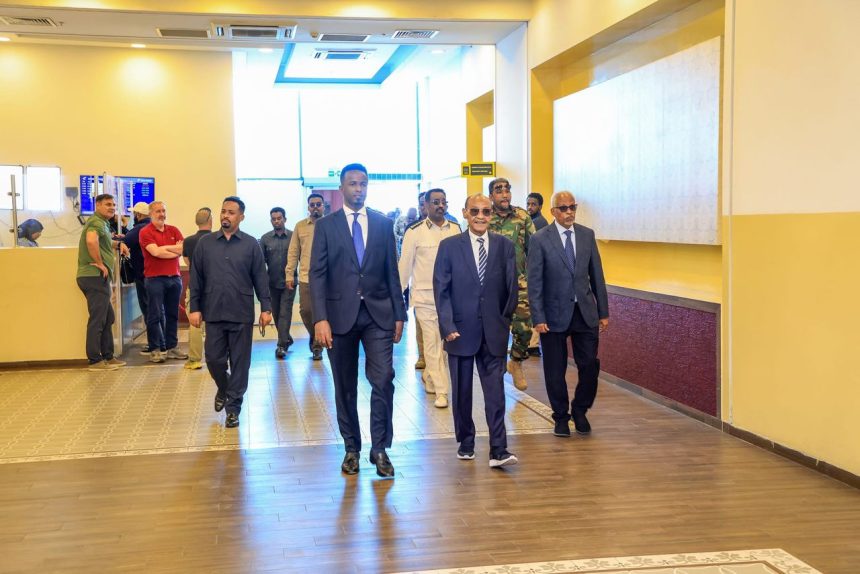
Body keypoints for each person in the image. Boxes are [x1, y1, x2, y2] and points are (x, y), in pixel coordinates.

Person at [309, 163, 406, 478]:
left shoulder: (383, 224)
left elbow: (392, 272)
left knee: (383, 379)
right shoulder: (326, 226)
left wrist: (400, 313)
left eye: (363, 183)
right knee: (345, 385)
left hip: (378, 314)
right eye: (352, 184)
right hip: (339, 316)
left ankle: (380, 448)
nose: (358, 189)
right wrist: (320, 318)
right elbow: (317, 274)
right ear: (342, 188)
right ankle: (352, 448)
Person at [433, 193, 518, 468]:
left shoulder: (504, 246)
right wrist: (447, 325)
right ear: (465, 213)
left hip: (494, 331)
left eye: (485, 211)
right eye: (475, 211)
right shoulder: (449, 247)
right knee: (462, 392)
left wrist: (503, 321)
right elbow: (441, 290)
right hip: (459, 330)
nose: (480, 216)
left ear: (491, 214)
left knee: (496, 393)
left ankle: (499, 449)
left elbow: (511, 288)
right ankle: (466, 442)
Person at [528, 191, 609, 437]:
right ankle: (561, 417)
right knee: (555, 369)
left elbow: (597, 275)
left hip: (584, 312)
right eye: (563, 208)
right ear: (553, 211)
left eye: (572, 207)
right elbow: (535, 281)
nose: (569, 212)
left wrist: (603, 311)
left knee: (589, 366)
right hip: (552, 315)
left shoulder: (587, 235)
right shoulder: (540, 239)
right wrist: (538, 317)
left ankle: (580, 410)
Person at [188, 196, 272, 429]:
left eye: (231, 212)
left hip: (241, 312)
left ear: (241, 217)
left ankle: (233, 408)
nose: (225, 215)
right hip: (213, 311)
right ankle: (224, 388)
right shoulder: (205, 244)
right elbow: (196, 278)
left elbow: (260, 278)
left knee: (240, 363)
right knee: (214, 359)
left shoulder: (251, 244)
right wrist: (194, 308)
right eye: (223, 211)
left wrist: (266, 308)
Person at [398, 188, 460, 408]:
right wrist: (398, 299)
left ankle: (430, 375)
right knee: (432, 343)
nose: (440, 205)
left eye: (443, 201)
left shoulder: (455, 229)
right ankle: (442, 391)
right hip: (425, 298)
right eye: (435, 202)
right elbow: (404, 267)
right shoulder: (414, 232)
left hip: (451, 299)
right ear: (425, 205)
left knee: (446, 345)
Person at [488, 177, 536, 390]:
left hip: (519, 282)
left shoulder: (522, 217)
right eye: (499, 191)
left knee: (524, 328)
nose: (504, 194)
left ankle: (516, 361)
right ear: (491, 196)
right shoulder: (484, 217)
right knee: (494, 331)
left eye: (507, 190)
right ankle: (495, 370)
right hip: (491, 285)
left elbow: (534, 250)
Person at [76, 193, 129, 371]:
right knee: (98, 319)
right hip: (93, 276)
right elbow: (91, 240)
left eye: (113, 204)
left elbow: (104, 241)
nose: (112, 207)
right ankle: (95, 360)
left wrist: (119, 244)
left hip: (97, 278)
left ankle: (108, 356)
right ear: (97, 205)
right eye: (107, 204)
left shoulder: (103, 223)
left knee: (108, 317)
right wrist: (99, 263)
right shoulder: (96, 222)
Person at [139, 201, 187, 364]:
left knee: (173, 314)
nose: (161, 214)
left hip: (174, 278)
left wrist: (165, 249)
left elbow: (182, 250)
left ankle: (172, 347)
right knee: (155, 315)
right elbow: (155, 252)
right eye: (158, 211)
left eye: (163, 211)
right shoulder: (145, 232)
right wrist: (173, 250)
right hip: (155, 279)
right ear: (150, 213)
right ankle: (156, 349)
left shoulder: (173, 230)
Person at [285, 194, 325, 361]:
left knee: (325, 312)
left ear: (323, 206)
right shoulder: (300, 226)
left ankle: (317, 347)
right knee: (306, 311)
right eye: (312, 205)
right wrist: (289, 274)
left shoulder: (331, 224)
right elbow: (293, 251)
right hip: (306, 277)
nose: (315, 207)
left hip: (328, 278)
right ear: (308, 207)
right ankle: (315, 335)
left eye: (318, 204)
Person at [260, 207, 297, 359]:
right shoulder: (265, 239)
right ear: (271, 221)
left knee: (284, 313)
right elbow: (260, 263)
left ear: (285, 219)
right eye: (274, 219)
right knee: (275, 313)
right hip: (272, 282)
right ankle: (286, 337)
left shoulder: (293, 236)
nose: (276, 221)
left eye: (279, 218)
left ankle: (281, 345)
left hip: (290, 282)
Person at [181, 207, 212, 370]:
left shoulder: (188, 241)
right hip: (213, 287)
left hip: (194, 286)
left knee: (195, 322)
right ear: (210, 221)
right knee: (214, 322)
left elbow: (187, 262)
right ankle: (216, 356)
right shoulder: (216, 239)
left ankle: (194, 359)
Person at [123, 202, 152, 353]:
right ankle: (162, 342)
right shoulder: (153, 227)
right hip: (155, 275)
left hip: (143, 276)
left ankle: (154, 343)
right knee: (158, 310)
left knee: (148, 310)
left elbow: (126, 241)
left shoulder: (140, 229)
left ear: (138, 215)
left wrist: (122, 230)